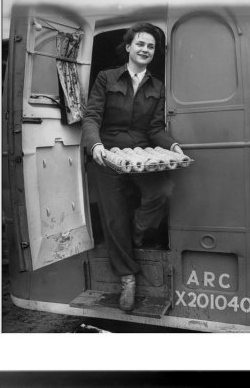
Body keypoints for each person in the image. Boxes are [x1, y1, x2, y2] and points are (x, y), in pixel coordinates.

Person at [82, 22, 183, 311]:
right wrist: (96, 146)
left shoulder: (157, 86)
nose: (145, 50)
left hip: (140, 153)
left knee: (162, 191)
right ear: (128, 47)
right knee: (113, 217)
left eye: (151, 46)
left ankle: (137, 233)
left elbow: (154, 129)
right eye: (140, 44)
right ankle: (128, 278)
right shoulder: (106, 78)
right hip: (108, 154)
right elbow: (91, 117)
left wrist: (172, 145)